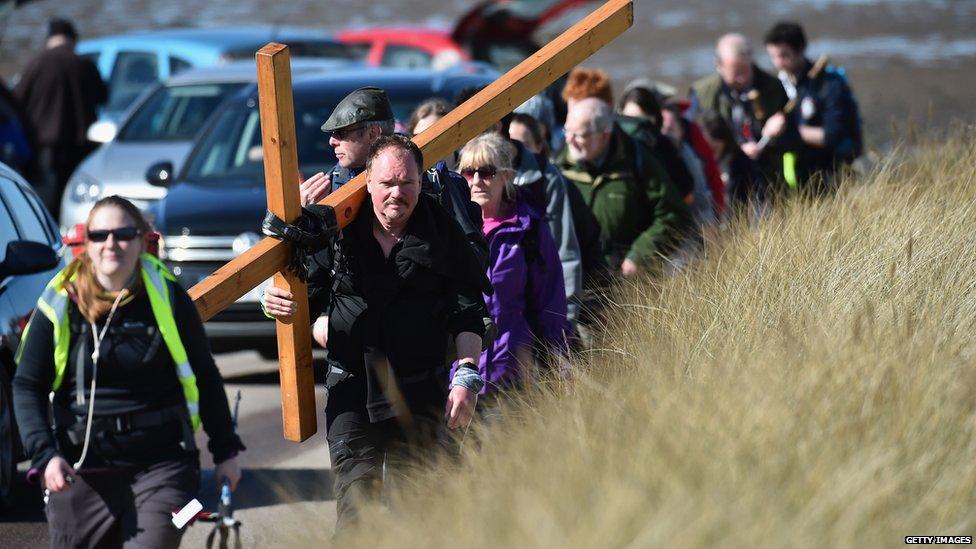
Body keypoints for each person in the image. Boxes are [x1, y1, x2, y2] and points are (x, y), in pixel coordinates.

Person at [261, 135, 490, 531]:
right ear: (367, 182)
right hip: (352, 391)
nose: (397, 194)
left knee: (417, 517)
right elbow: (300, 288)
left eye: (407, 183)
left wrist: (467, 374)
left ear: (421, 183)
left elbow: (466, 311)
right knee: (356, 515)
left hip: (420, 394)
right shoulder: (339, 231)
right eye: (387, 183)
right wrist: (274, 302)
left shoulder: (442, 234)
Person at [13, 196, 243, 548]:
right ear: (85, 243)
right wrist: (46, 456)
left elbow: (205, 375)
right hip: (80, 468)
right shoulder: (59, 301)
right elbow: (27, 385)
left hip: (163, 464)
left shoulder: (167, 295)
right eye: (99, 234)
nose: (111, 243)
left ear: (140, 241)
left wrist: (225, 452)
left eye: (123, 233)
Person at [455, 133, 570, 402]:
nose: (476, 181)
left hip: (515, 376)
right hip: (458, 379)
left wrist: (560, 362)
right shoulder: (450, 230)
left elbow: (550, 304)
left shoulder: (530, 230)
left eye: (486, 172)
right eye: (468, 173)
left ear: (506, 176)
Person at [557, 98, 693, 277]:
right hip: (578, 280)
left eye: (580, 135)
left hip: (628, 280)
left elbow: (673, 214)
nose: (569, 140)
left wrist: (640, 255)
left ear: (605, 135)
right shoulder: (559, 167)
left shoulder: (638, 161)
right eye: (567, 131)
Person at [13, 18, 107, 215]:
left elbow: (16, 103)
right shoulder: (84, 65)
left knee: (45, 206)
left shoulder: (35, 65)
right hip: (80, 147)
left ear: (49, 39)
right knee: (74, 204)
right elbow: (103, 97)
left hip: (43, 148)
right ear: (72, 39)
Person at [763, 21, 863, 192]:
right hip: (794, 172)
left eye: (783, 55)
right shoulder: (777, 85)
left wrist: (788, 131)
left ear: (801, 49)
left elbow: (830, 135)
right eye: (773, 56)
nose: (778, 63)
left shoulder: (830, 84)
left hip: (831, 169)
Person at [689, 33, 788, 184]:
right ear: (719, 65)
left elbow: (794, 136)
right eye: (735, 73)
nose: (742, 78)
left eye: (746, 70)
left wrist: (777, 130)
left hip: (768, 173)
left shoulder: (773, 87)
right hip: (724, 175)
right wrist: (738, 149)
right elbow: (696, 139)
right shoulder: (702, 94)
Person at [699, 110, 767, 211]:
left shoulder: (738, 162)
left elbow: (757, 194)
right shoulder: (702, 165)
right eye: (707, 148)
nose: (711, 152)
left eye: (714, 148)